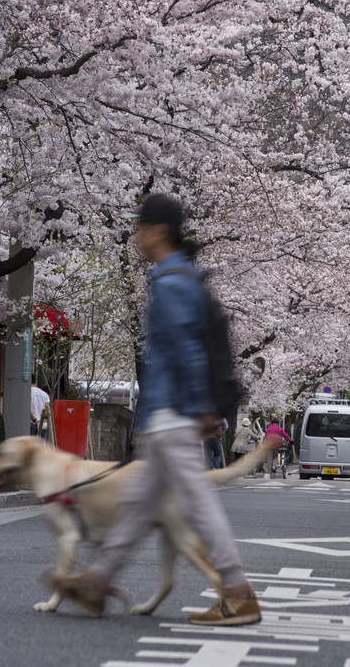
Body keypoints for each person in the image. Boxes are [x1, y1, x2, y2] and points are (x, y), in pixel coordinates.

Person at [49, 193, 261, 626]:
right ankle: (95, 583)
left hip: (172, 415)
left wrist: (199, 409)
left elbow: (185, 350)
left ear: (159, 231)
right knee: (139, 505)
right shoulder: (182, 278)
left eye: (141, 227)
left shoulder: (171, 283)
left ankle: (238, 592)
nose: (136, 236)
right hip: (170, 414)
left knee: (198, 503)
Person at [30, 374, 50, 440]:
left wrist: (35, 420)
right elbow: (47, 408)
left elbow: (28, 409)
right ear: (36, 382)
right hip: (43, 424)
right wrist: (44, 419)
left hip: (32, 423)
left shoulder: (27, 392)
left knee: (30, 447)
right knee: (40, 446)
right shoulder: (44, 394)